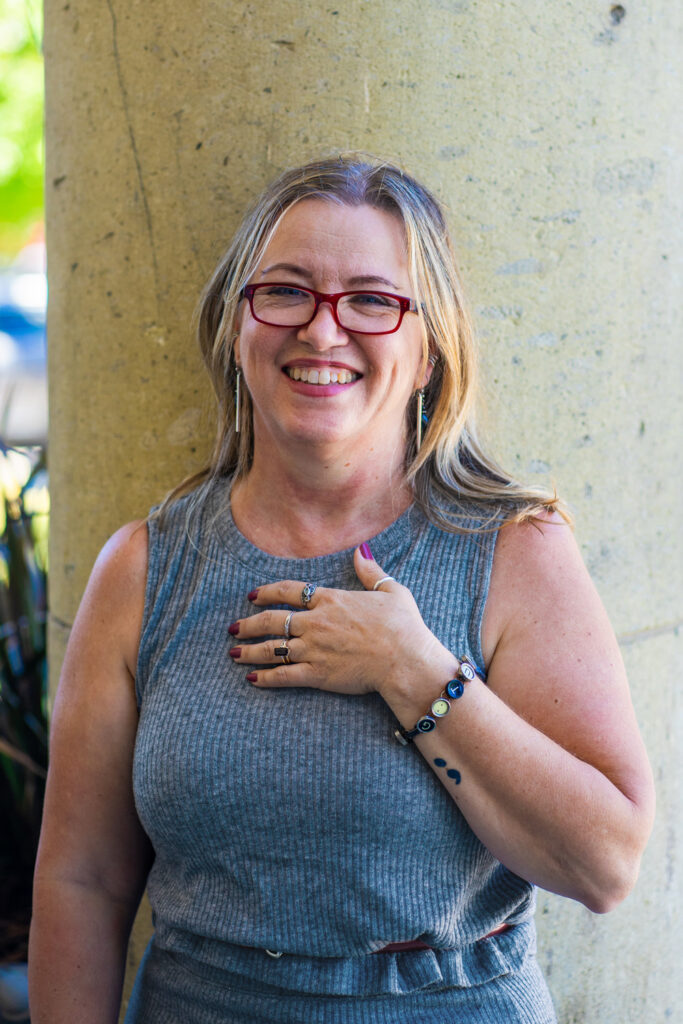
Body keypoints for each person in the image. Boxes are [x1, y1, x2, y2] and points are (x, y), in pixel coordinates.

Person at [29, 156, 655, 1024]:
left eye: (371, 300)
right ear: (236, 325)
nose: (322, 332)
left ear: (429, 348)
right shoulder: (144, 569)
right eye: (286, 291)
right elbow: (82, 880)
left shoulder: (513, 554)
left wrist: (413, 671)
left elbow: (606, 866)